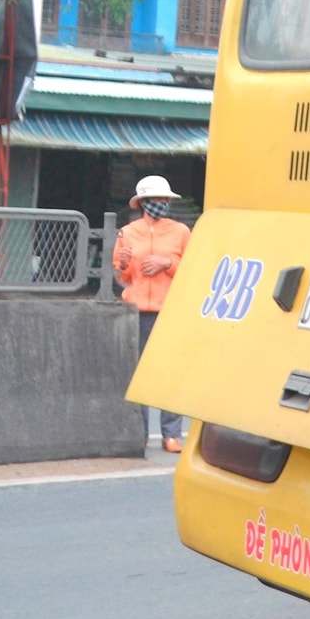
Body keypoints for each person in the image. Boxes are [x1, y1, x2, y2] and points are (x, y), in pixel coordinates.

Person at [115, 174, 191, 452]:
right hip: (136, 311)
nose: (163, 204)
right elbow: (123, 277)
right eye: (158, 199)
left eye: (165, 200)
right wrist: (123, 264)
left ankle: (172, 434)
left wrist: (167, 262)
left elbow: (194, 269)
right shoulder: (127, 232)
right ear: (145, 203)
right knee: (138, 375)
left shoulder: (181, 232)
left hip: (169, 310)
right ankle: (141, 433)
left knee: (170, 371)